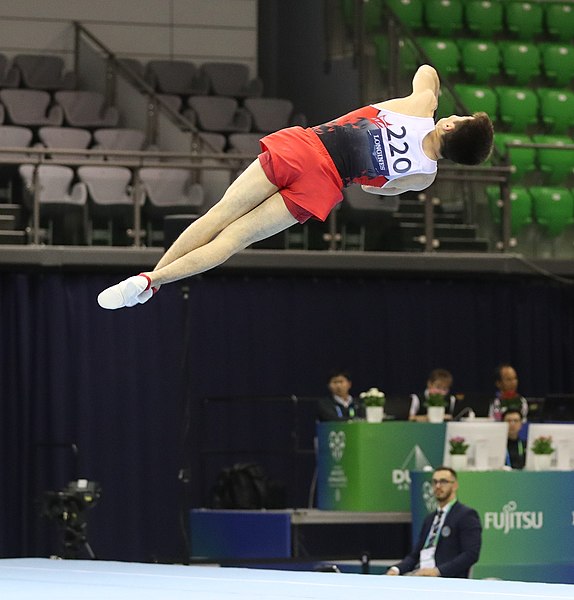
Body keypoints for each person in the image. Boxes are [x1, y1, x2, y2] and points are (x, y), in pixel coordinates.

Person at [96, 64, 494, 309]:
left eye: (456, 117)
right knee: (234, 240)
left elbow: (428, 71)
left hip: (306, 146)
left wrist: (433, 102)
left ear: (448, 124)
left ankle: (149, 277)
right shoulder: (424, 175)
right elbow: (376, 191)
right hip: (325, 184)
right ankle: (151, 283)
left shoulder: (421, 105)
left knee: (219, 215)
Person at [386, 466, 482, 578]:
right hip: (421, 575)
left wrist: (438, 571)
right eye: (435, 482)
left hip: (447, 579)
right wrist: (396, 569)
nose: (438, 486)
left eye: (443, 482)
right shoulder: (430, 519)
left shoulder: (466, 515)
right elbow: (415, 555)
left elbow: (471, 554)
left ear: (455, 485)